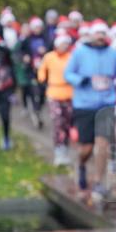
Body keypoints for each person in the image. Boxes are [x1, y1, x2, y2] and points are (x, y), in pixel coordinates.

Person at [64, 19, 116, 201]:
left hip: (106, 104)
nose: (100, 37)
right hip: (84, 104)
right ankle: (81, 164)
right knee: (87, 148)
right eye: (97, 33)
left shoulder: (113, 53)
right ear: (91, 35)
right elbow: (68, 73)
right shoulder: (80, 52)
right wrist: (80, 80)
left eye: (103, 33)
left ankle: (99, 182)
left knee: (103, 145)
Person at [37, 31, 76, 165]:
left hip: (69, 94)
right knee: (57, 122)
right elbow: (42, 69)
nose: (64, 46)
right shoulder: (49, 57)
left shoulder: (71, 57)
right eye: (62, 44)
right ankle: (58, 151)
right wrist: (41, 78)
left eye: (66, 44)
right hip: (54, 93)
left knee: (67, 123)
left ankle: (65, 149)